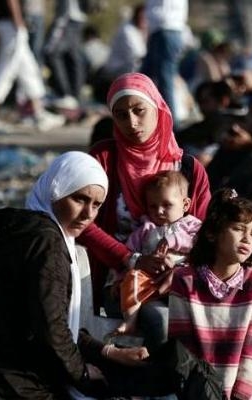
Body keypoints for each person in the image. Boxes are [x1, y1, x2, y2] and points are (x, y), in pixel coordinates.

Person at [0, 151, 218, 399]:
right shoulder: (45, 243)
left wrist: (107, 353)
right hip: (5, 385)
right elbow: (50, 327)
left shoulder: (19, 229)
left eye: (96, 205)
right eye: (79, 199)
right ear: (56, 190)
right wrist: (82, 373)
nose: (87, 215)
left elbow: (48, 318)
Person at [77, 72, 211, 348]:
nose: (132, 123)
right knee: (161, 321)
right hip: (126, 283)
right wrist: (132, 259)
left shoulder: (188, 169)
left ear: (158, 108)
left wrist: (181, 273)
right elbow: (82, 221)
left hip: (181, 279)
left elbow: (207, 232)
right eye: (121, 115)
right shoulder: (104, 159)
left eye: (139, 111)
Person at [168, 188, 252, 400]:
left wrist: (240, 395)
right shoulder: (185, 280)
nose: (247, 238)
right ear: (212, 233)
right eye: (238, 229)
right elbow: (182, 344)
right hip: (196, 391)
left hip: (242, 394)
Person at [116, 170, 202, 335]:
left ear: (185, 205)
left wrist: (172, 240)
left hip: (182, 283)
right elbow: (129, 255)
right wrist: (120, 278)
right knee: (132, 277)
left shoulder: (192, 225)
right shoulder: (146, 230)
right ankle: (130, 321)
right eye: (153, 206)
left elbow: (200, 246)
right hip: (150, 284)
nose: (159, 211)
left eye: (167, 205)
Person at [0, 0, 65, 134]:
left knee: (28, 70)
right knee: (5, 71)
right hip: (11, 26)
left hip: (11, 25)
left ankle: (39, 112)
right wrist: (18, 22)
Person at [140, 0, 189, 125]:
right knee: (145, 78)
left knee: (164, 81)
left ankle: (171, 126)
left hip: (165, 29)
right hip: (163, 30)